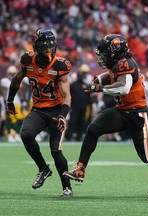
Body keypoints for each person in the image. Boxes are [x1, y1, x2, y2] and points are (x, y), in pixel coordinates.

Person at [62, 34, 148, 198]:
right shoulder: (118, 64)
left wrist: (100, 88)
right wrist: (99, 79)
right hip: (122, 110)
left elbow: (123, 87)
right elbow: (112, 75)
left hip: (137, 113)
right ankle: (80, 169)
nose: (103, 56)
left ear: (116, 52)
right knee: (93, 129)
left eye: (106, 52)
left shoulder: (126, 64)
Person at [6, 29, 73, 197]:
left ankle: (67, 187)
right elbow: (16, 79)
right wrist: (10, 100)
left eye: (51, 46)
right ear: (36, 47)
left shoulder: (60, 65)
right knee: (26, 135)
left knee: (55, 150)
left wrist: (62, 115)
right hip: (38, 109)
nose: (49, 50)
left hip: (57, 110)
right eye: (45, 47)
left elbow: (67, 95)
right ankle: (44, 168)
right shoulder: (28, 60)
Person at [66, 64, 92, 141]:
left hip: (83, 107)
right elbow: (69, 95)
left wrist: (90, 106)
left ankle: (79, 136)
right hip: (75, 107)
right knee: (72, 121)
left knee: (82, 121)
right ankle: (69, 136)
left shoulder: (86, 85)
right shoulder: (72, 85)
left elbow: (88, 97)